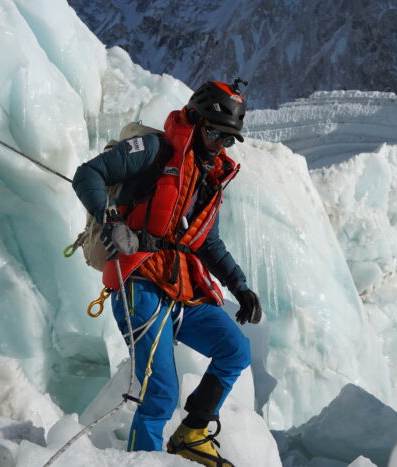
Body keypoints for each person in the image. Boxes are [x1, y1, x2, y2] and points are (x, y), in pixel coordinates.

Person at [72, 79, 262, 466]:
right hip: (139, 282)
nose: (217, 146)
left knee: (235, 349)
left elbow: (208, 242)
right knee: (159, 392)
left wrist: (240, 286)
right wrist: (110, 221)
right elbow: (87, 174)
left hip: (179, 285)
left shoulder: (209, 180)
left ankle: (191, 432)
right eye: (213, 133)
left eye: (227, 140)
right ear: (195, 120)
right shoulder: (155, 150)